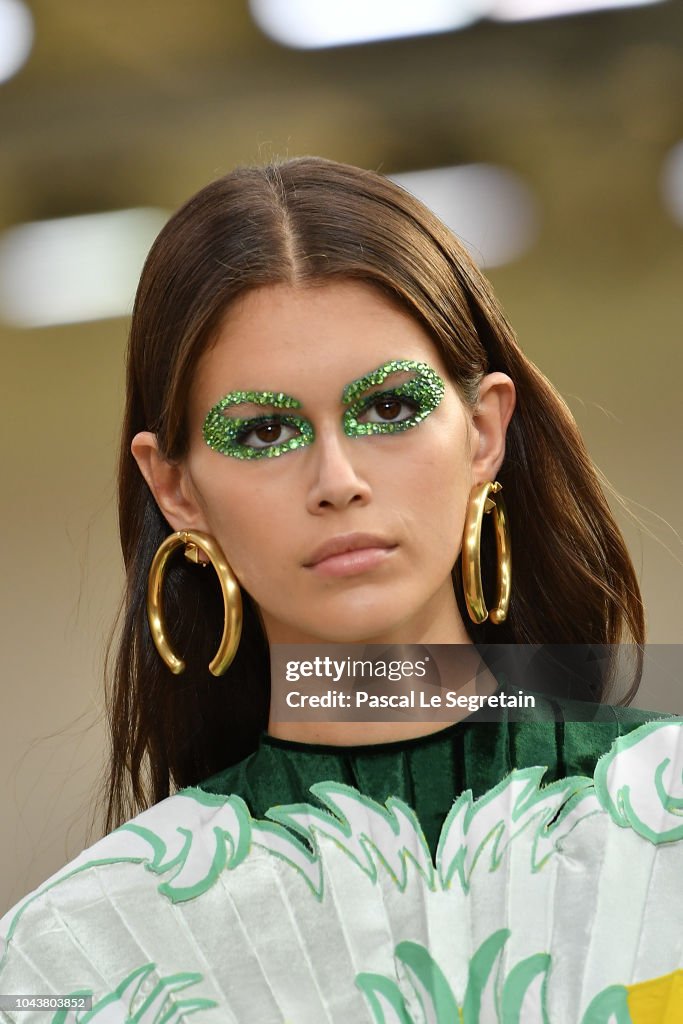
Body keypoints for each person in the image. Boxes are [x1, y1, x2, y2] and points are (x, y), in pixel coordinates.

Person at [1, 157, 681, 1023]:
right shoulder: (77, 955)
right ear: (175, 489)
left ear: (481, 431)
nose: (337, 478)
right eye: (265, 429)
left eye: (390, 409)